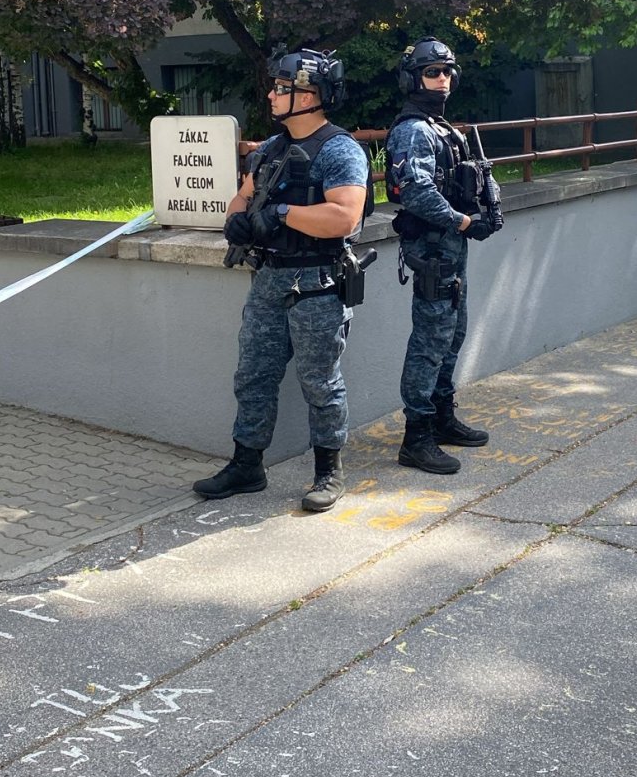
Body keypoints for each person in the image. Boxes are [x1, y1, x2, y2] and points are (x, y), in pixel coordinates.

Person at [193, 47, 370, 513]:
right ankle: (246, 465)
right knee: (253, 375)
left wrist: (284, 213)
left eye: (281, 88)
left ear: (309, 96)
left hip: (316, 284)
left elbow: (345, 217)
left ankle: (328, 471)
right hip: (269, 279)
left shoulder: (340, 150)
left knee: (320, 382)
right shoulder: (271, 149)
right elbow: (242, 198)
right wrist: (237, 221)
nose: (271, 95)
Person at [385, 37, 500, 475]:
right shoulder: (413, 130)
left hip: (451, 246)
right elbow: (416, 192)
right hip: (433, 248)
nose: (442, 79)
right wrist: (464, 222)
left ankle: (441, 417)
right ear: (413, 80)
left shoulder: (441, 127)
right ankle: (416, 437)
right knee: (430, 340)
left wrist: (480, 211)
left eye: (448, 71)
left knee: (452, 334)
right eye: (432, 73)